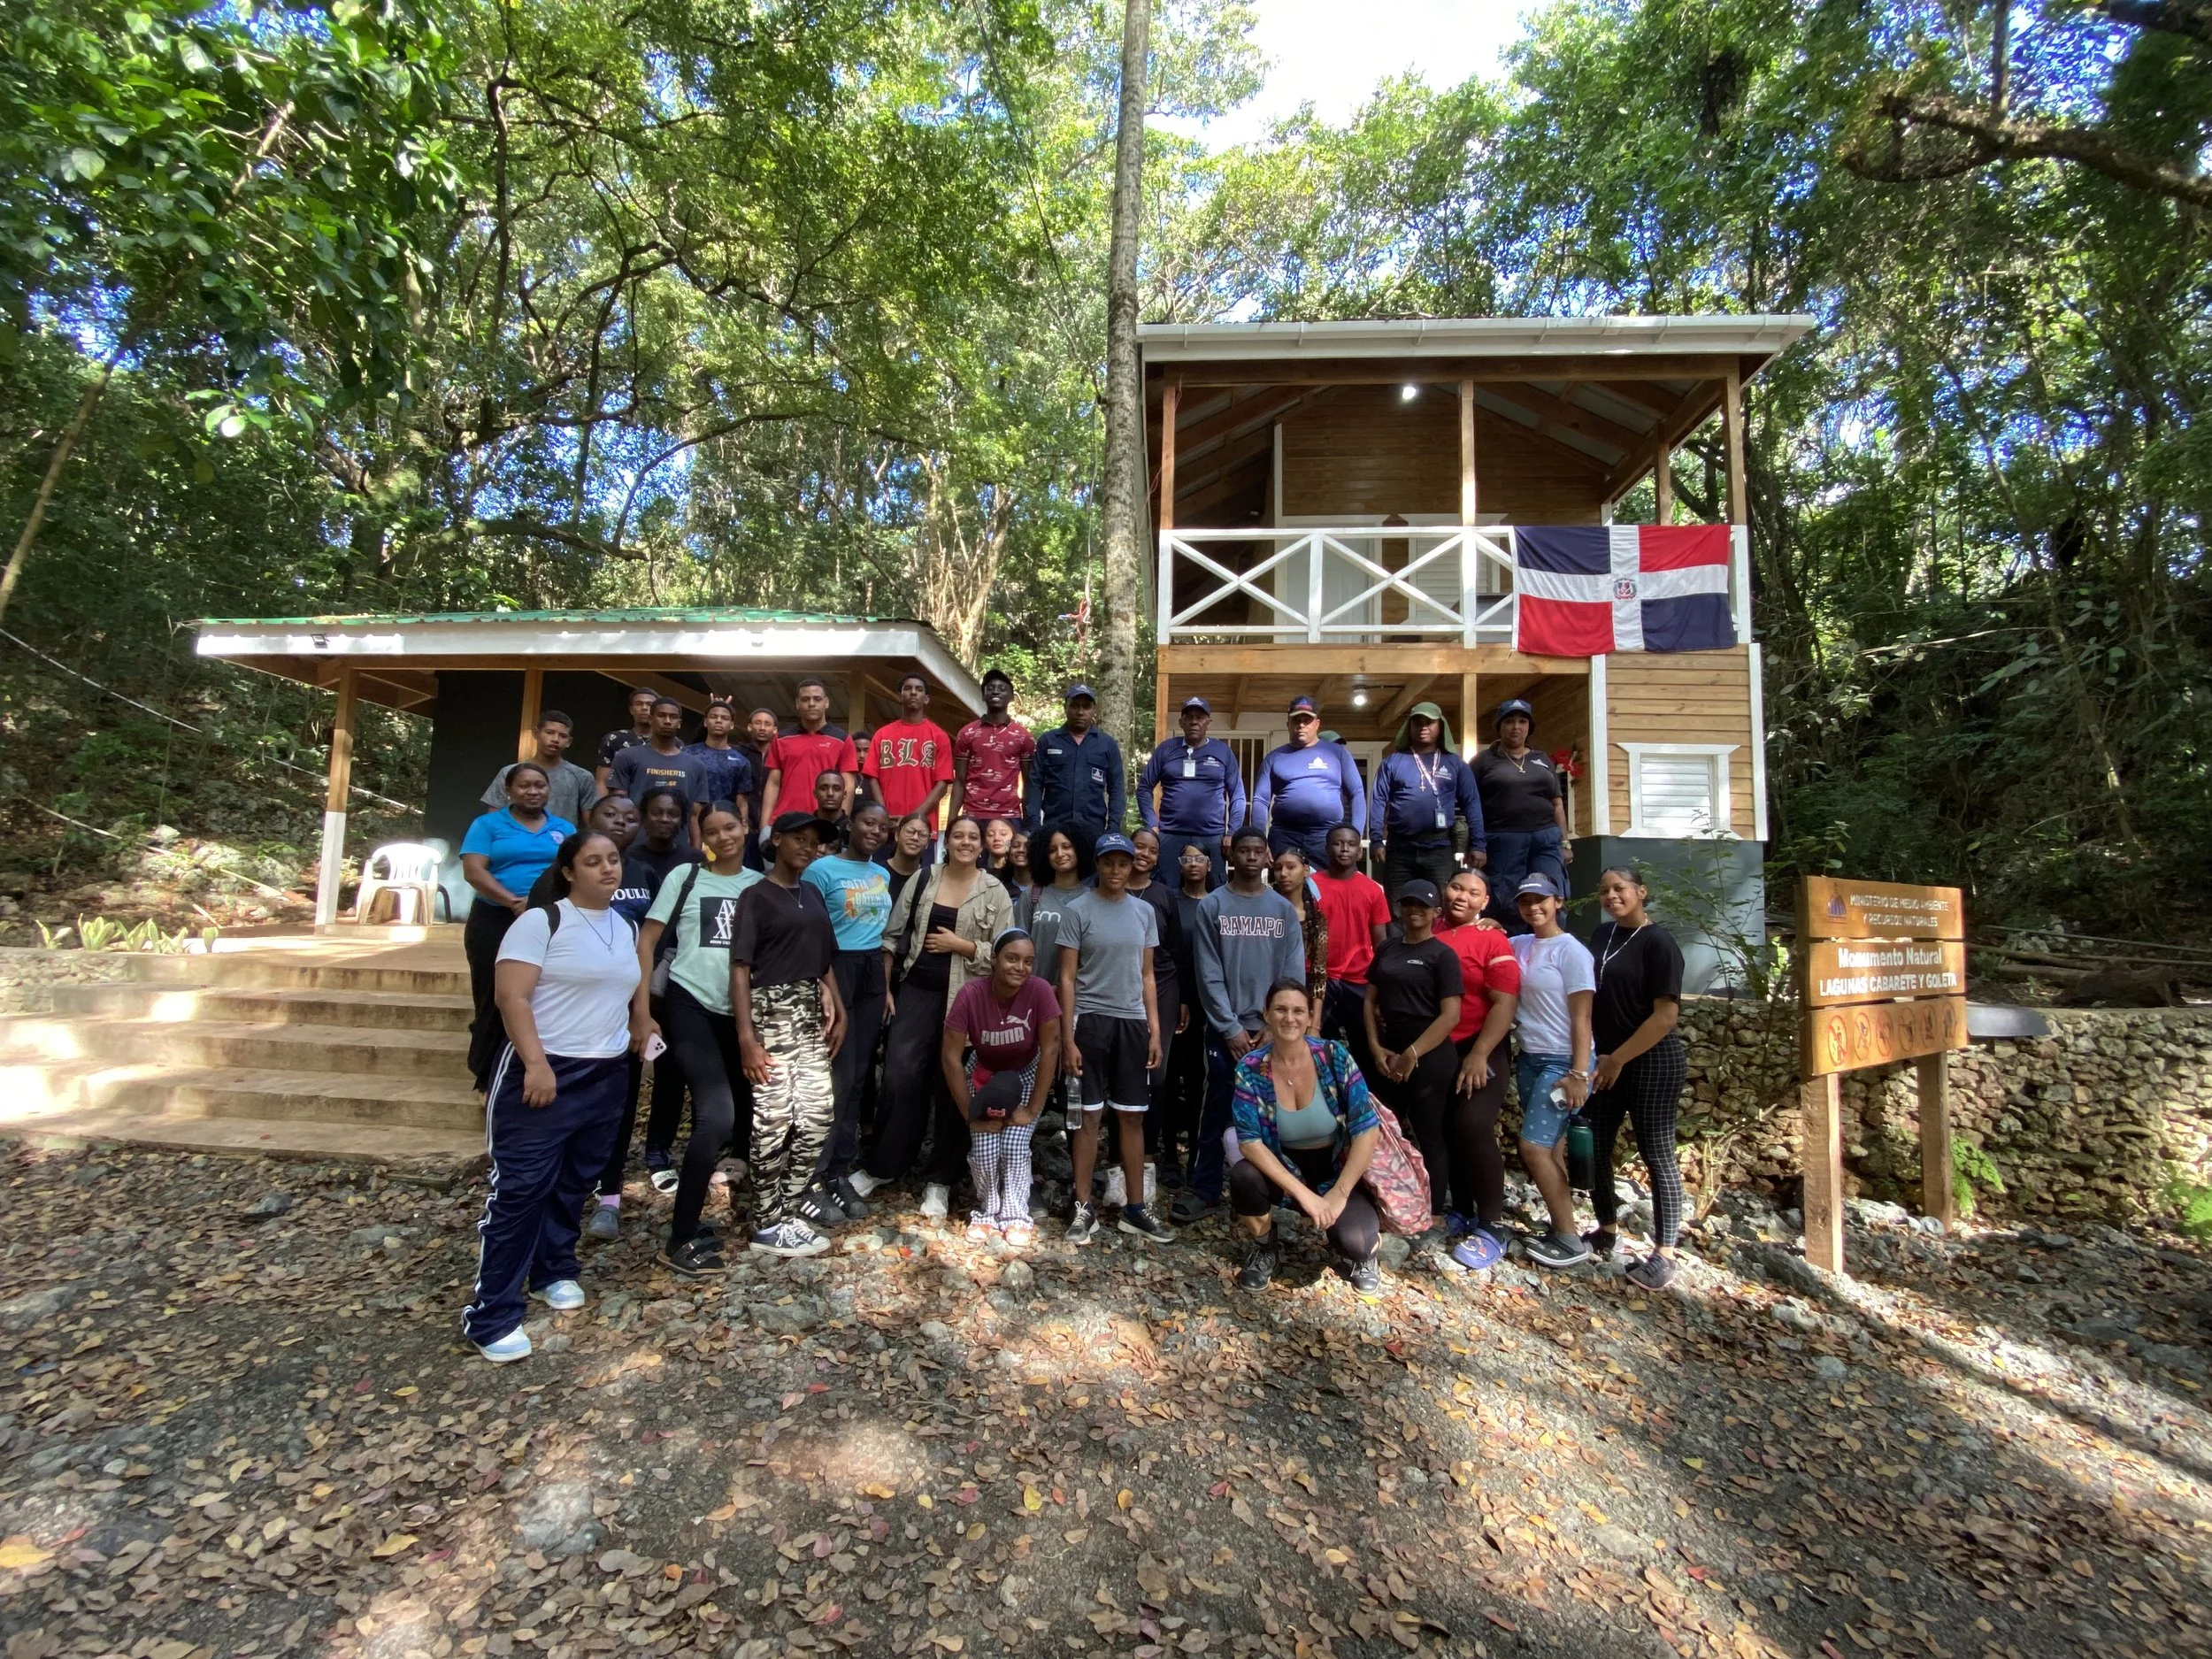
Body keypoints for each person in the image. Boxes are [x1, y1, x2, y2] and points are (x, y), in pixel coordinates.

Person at [465, 831, 639, 1362]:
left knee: (574, 1182)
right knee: (521, 1190)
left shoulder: (625, 924)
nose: (607, 869)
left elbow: (623, 992)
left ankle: (553, 1268)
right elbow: (510, 995)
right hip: (542, 1070)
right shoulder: (542, 920)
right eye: (593, 862)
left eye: (613, 860)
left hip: (605, 1075)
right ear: (568, 870)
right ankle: (491, 1313)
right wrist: (536, 1064)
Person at [850, 817, 1013, 1213]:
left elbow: (1008, 955)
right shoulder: (923, 879)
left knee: (952, 1083)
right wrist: (888, 988)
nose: (966, 842)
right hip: (917, 991)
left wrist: (964, 945)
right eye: (959, 835)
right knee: (900, 1075)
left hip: (968, 999)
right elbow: (891, 937)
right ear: (946, 841)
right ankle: (886, 1164)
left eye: (973, 837)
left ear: (982, 846)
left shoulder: (995, 892)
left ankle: (940, 1178)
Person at [627, 806, 761, 1274]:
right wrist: (641, 1012)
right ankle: (680, 1235)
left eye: (730, 827)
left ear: (745, 829)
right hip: (690, 1005)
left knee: (739, 1113)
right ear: (700, 837)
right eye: (711, 831)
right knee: (716, 1117)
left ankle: (695, 1223)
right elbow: (647, 942)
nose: (722, 836)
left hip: (738, 1013)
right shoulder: (685, 876)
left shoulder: (756, 884)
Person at [727, 812, 847, 1258]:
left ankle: (788, 1208)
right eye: (798, 838)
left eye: (814, 842)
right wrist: (746, 1037)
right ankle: (765, 1220)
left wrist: (837, 1003)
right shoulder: (755, 896)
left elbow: (824, 959)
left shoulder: (812, 893)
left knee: (816, 1114)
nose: (807, 847)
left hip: (811, 1011)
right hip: (769, 1010)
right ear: (775, 840)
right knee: (773, 1118)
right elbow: (740, 968)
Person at [1173, 827, 1307, 1225]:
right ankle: (1204, 1188)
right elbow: (1208, 972)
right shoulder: (1212, 905)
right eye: (1244, 851)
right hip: (1224, 1029)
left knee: (1272, 1113)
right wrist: (1229, 1026)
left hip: (1271, 1031)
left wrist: (1274, 1026)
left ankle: (1270, 1191)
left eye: (1258, 851)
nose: (1251, 857)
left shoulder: (1282, 910)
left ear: (1267, 858)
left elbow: (1291, 972)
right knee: (1214, 1109)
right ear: (1232, 859)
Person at [1230, 979, 1384, 1296]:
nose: (1290, 1018)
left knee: (1357, 1243)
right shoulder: (1250, 1068)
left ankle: (1366, 1252)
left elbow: (1367, 1128)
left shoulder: (1333, 1056)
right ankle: (1264, 1246)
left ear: (1310, 1016)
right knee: (1243, 1175)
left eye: (1298, 1011)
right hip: (1285, 1170)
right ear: (1267, 1015)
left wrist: (1339, 1193)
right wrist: (1303, 1194)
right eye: (1281, 1010)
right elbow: (1249, 1142)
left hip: (1336, 1172)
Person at [1056, 832, 1169, 1244]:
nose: (1117, 870)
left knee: (1132, 1114)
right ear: (1099, 865)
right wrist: (1068, 1038)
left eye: (1123, 863)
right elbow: (1066, 977)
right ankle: (1083, 1205)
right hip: (1090, 1021)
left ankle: (1135, 1208)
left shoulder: (1144, 913)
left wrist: (1154, 1028)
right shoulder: (1077, 909)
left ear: (1133, 865)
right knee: (1088, 1115)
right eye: (1109, 863)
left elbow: (1147, 975)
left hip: (1132, 1022)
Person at [1583, 867, 1688, 1290]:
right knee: (1594, 1145)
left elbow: (1666, 1015)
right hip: (1608, 1060)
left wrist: (1618, 1059)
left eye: (1620, 888)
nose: (1611, 896)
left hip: (1650, 1060)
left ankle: (1664, 1252)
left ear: (1641, 892)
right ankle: (1606, 1229)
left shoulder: (1659, 943)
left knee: (1656, 1152)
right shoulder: (1601, 936)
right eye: (1604, 890)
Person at [803, 799, 895, 1220]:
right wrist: (825, 983)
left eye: (883, 826)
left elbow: (881, 932)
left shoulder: (880, 873)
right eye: (868, 823)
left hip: (872, 970)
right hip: (836, 966)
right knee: (833, 1076)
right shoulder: (821, 871)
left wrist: (886, 985)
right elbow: (812, 933)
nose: (876, 831)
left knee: (859, 1076)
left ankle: (840, 1170)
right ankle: (812, 1177)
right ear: (850, 825)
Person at [943, 928, 1061, 1245]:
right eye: (1011, 958)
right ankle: (987, 1210)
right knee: (983, 1148)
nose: (1019, 968)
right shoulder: (971, 994)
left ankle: (1015, 1214)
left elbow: (1050, 1047)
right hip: (985, 1074)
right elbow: (951, 1057)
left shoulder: (1039, 991)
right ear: (994, 960)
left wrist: (1034, 1108)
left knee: (1013, 1145)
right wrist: (970, 1112)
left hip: (1025, 1073)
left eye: (1027, 962)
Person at [460, 764, 574, 1087]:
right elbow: (474, 870)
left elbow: (573, 869)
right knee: (494, 995)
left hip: (550, 921)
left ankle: (529, 1068)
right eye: (524, 786)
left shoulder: (564, 828)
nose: (533, 791)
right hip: (495, 918)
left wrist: (540, 905)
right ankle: (485, 1073)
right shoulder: (487, 825)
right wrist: (514, 902)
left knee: (538, 995)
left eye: (540, 785)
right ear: (509, 791)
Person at [1509, 872, 1597, 1269]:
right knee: (1553, 1147)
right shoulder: (1520, 944)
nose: (1533, 907)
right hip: (1529, 1057)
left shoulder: (1572, 952)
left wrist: (1579, 1074)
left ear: (1558, 902)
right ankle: (1561, 1225)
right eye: (1526, 901)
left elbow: (1582, 1018)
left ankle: (1569, 1239)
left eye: (1541, 900)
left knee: (1533, 1147)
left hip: (1564, 1062)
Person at [1438, 870, 1520, 1269]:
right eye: (1456, 888)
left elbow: (1504, 1003)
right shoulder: (1430, 932)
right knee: (1446, 1127)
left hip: (1480, 1047)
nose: (1462, 897)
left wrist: (1480, 1054)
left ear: (1484, 902)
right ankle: (1462, 1208)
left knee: (1472, 1125)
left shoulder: (1493, 938)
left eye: (1473, 893)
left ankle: (1492, 1224)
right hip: (1439, 1049)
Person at [1370, 701, 1483, 908]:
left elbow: (1472, 803)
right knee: (1396, 906)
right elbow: (1378, 800)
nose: (1423, 727)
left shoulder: (1455, 764)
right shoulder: (1392, 762)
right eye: (1417, 722)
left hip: (1439, 848)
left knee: (1443, 905)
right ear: (1409, 727)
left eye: (1429, 722)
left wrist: (1478, 844)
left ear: (1440, 727)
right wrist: (1376, 839)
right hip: (1400, 848)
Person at [1126, 828, 1187, 1199]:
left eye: (1152, 850)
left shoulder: (1164, 896)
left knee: (1158, 1073)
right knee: (1124, 1070)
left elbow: (1176, 952)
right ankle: (1122, 1155)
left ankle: (1150, 1154)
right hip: (1120, 988)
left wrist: (1181, 1000)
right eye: (1139, 846)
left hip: (1162, 988)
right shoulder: (1107, 889)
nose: (1144, 854)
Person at [1471, 699, 1571, 922]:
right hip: (1504, 840)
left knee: (1550, 895)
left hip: (1545, 839)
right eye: (1509, 721)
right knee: (1506, 901)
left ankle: (1552, 949)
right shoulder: (1483, 761)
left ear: (1529, 727)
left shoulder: (1542, 759)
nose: (1516, 726)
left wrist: (1565, 843)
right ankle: (1509, 950)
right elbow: (1471, 805)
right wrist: (1475, 843)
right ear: (1499, 726)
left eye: (1522, 721)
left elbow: (1557, 804)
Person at [1311, 822, 1389, 1086]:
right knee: (1320, 1054)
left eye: (1351, 844)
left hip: (1360, 983)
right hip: (1321, 983)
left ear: (1360, 851)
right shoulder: (1310, 886)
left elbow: (1380, 943)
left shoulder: (1373, 890)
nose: (1344, 849)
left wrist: (1381, 989)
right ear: (1326, 847)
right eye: (1338, 843)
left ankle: (1368, 1111)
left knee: (1367, 1053)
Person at [1137, 696, 1243, 885]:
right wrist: (1152, 825)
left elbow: (1238, 795)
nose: (1194, 721)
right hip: (1170, 835)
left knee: (1214, 891)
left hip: (1212, 837)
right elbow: (1144, 787)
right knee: (1166, 889)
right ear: (1181, 722)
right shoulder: (1166, 749)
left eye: (1200, 717)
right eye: (1189, 717)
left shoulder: (1222, 751)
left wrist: (1232, 832)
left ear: (1208, 722)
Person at [1156, 841, 1213, 1190]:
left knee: (1197, 1086)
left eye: (1200, 859)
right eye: (1186, 859)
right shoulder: (1169, 901)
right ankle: (1168, 1160)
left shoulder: (1220, 902)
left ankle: (1196, 1156)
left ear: (1209, 864)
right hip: (1172, 1004)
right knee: (1165, 1082)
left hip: (1208, 1007)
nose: (1193, 865)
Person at [1254, 696, 1365, 864]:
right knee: (1285, 886)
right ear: (1288, 724)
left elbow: (1357, 793)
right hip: (1285, 836)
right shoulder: (1274, 758)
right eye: (1296, 720)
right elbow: (1261, 800)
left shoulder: (1337, 753)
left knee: (1327, 888)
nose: (1301, 725)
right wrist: (1259, 840)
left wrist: (1355, 836)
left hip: (1327, 837)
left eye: (1307, 720)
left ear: (1317, 724)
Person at [758, 679, 857, 842]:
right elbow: (774, 783)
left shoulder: (842, 739)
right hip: (784, 823)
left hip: (823, 826)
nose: (811, 703)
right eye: (805, 699)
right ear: (797, 703)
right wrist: (765, 825)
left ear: (826, 703)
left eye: (817, 699)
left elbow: (848, 786)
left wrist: (839, 825)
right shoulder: (782, 738)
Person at [608, 697, 714, 845]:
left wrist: (695, 854)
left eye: (673, 717)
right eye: (661, 715)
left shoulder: (695, 765)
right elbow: (617, 807)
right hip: (634, 848)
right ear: (651, 719)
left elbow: (695, 816)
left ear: (680, 723)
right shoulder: (626, 756)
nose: (667, 721)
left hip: (678, 849)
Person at [863, 672, 954, 841]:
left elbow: (942, 785)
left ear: (926, 699)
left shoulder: (939, 736)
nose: (913, 692)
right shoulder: (882, 734)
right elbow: (872, 777)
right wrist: (883, 814)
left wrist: (912, 818)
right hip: (886, 826)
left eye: (919, 690)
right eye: (908, 688)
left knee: (922, 869)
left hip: (922, 826)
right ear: (900, 696)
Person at [1028, 683, 1125, 833]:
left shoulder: (1107, 744)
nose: (1080, 712)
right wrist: (1034, 823)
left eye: (1086, 706)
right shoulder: (1048, 741)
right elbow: (1035, 784)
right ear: (1065, 707)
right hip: (1054, 827)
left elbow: (1117, 789)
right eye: (1074, 706)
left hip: (1092, 829)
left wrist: (1113, 827)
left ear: (1094, 710)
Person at [949, 667, 1033, 835]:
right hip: (973, 815)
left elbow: (1029, 783)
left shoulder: (1023, 736)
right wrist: (952, 823)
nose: (995, 691)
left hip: (1010, 816)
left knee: (1008, 862)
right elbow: (959, 781)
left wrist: (1028, 824)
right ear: (983, 695)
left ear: (1011, 697)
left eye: (1002, 688)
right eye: (990, 688)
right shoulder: (967, 733)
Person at [484, 710, 600, 827]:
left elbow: (591, 824)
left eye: (563, 736)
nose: (555, 739)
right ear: (536, 734)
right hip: (514, 841)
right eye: (549, 732)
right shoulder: (509, 772)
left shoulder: (582, 776)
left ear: (569, 742)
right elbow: (493, 818)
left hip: (563, 842)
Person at [1017, 825, 1093, 972]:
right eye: (1052, 850)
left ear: (1079, 849)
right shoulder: (1033, 894)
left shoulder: (1091, 898)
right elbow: (1016, 942)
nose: (1060, 854)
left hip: (1077, 990)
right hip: (1034, 987)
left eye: (1066, 847)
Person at [1271, 845, 1330, 1005]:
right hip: (1268, 990)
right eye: (1278, 868)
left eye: (1291, 867)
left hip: (1302, 992)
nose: (1283, 874)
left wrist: (1315, 1020)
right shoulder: (1266, 913)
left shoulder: (1316, 918)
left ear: (1305, 870)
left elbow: (1319, 971)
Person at [685, 698, 754, 833]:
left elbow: (742, 802)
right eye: (714, 717)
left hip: (723, 826)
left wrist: (742, 828)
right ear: (705, 722)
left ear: (732, 724)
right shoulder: (687, 754)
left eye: (724, 718)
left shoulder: (741, 761)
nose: (718, 720)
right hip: (689, 825)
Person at [736, 708, 779, 872]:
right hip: (745, 826)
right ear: (749, 727)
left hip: (771, 827)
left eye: (767, 724)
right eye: (757, 723)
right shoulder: (738, 753)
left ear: (775, 730)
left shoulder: (781, 756)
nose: (762, 728)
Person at [595, 687, 657, 790]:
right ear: (631, 709)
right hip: (619, 801)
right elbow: (602, 782)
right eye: (639, 704)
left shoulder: (673, 744)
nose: (644, 708)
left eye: (649, 704)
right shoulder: (614, 739)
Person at [882, 812, 932, 910]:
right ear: (897, 835)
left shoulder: (928, 879)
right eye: (910, 831)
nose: (915, 838)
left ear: (928, 843)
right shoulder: (878, 873)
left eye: (922, 834)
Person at [810, 769, 850, 850]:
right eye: (823, 788)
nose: (830, 794)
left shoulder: (852, 830)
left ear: (844, 794)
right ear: (815, 794)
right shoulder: (805, 827)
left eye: (836, 789)